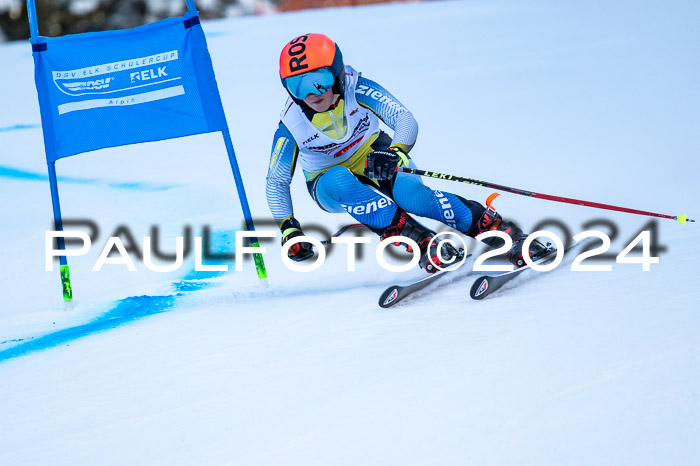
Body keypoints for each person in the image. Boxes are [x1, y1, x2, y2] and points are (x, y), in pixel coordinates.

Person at [266, 33, 546, 273]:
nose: (312, 94)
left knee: (414, 197)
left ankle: (505, 234)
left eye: (319, 80)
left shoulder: (356, 87)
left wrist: (395, 151)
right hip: (326, 180)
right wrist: (289, 228)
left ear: (337, 73)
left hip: (374, 154)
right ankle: (422, 242)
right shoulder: (291, 123)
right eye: (297, 86)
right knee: (341, 179)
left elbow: (403, 119)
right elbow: (276, 182)